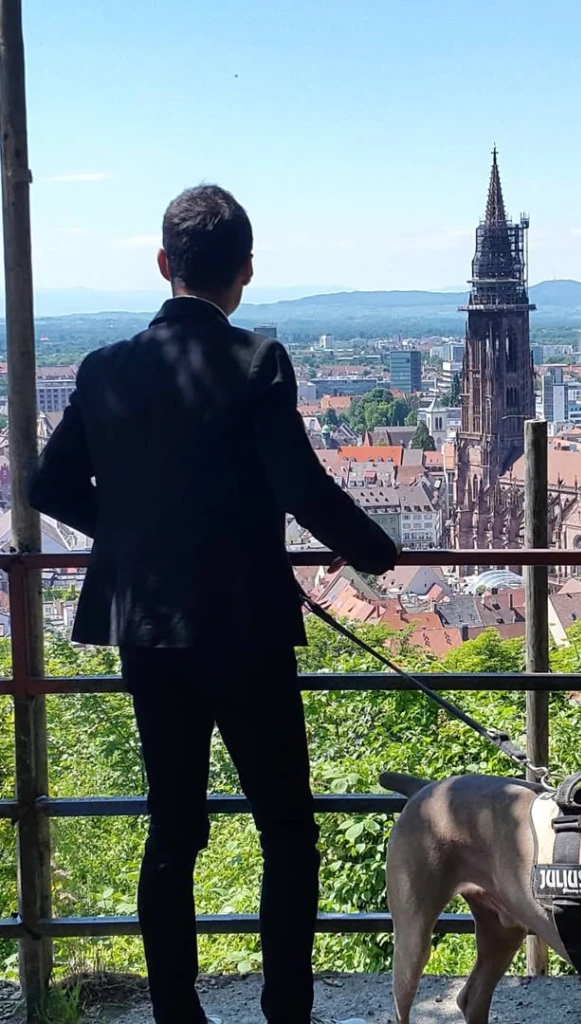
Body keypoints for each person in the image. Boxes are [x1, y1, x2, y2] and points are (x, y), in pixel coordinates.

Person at [30, 185, 395, 1024]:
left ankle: (176, 1017)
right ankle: (285, 1012)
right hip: (246, 625)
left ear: (164, 266)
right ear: (246, 273)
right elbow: (303, 489)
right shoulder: (259, 361)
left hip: (150, 630)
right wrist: (379, 552)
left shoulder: (101, 368)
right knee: (287, 830)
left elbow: (50, 483)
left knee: (173, 830)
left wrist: (130, 531)